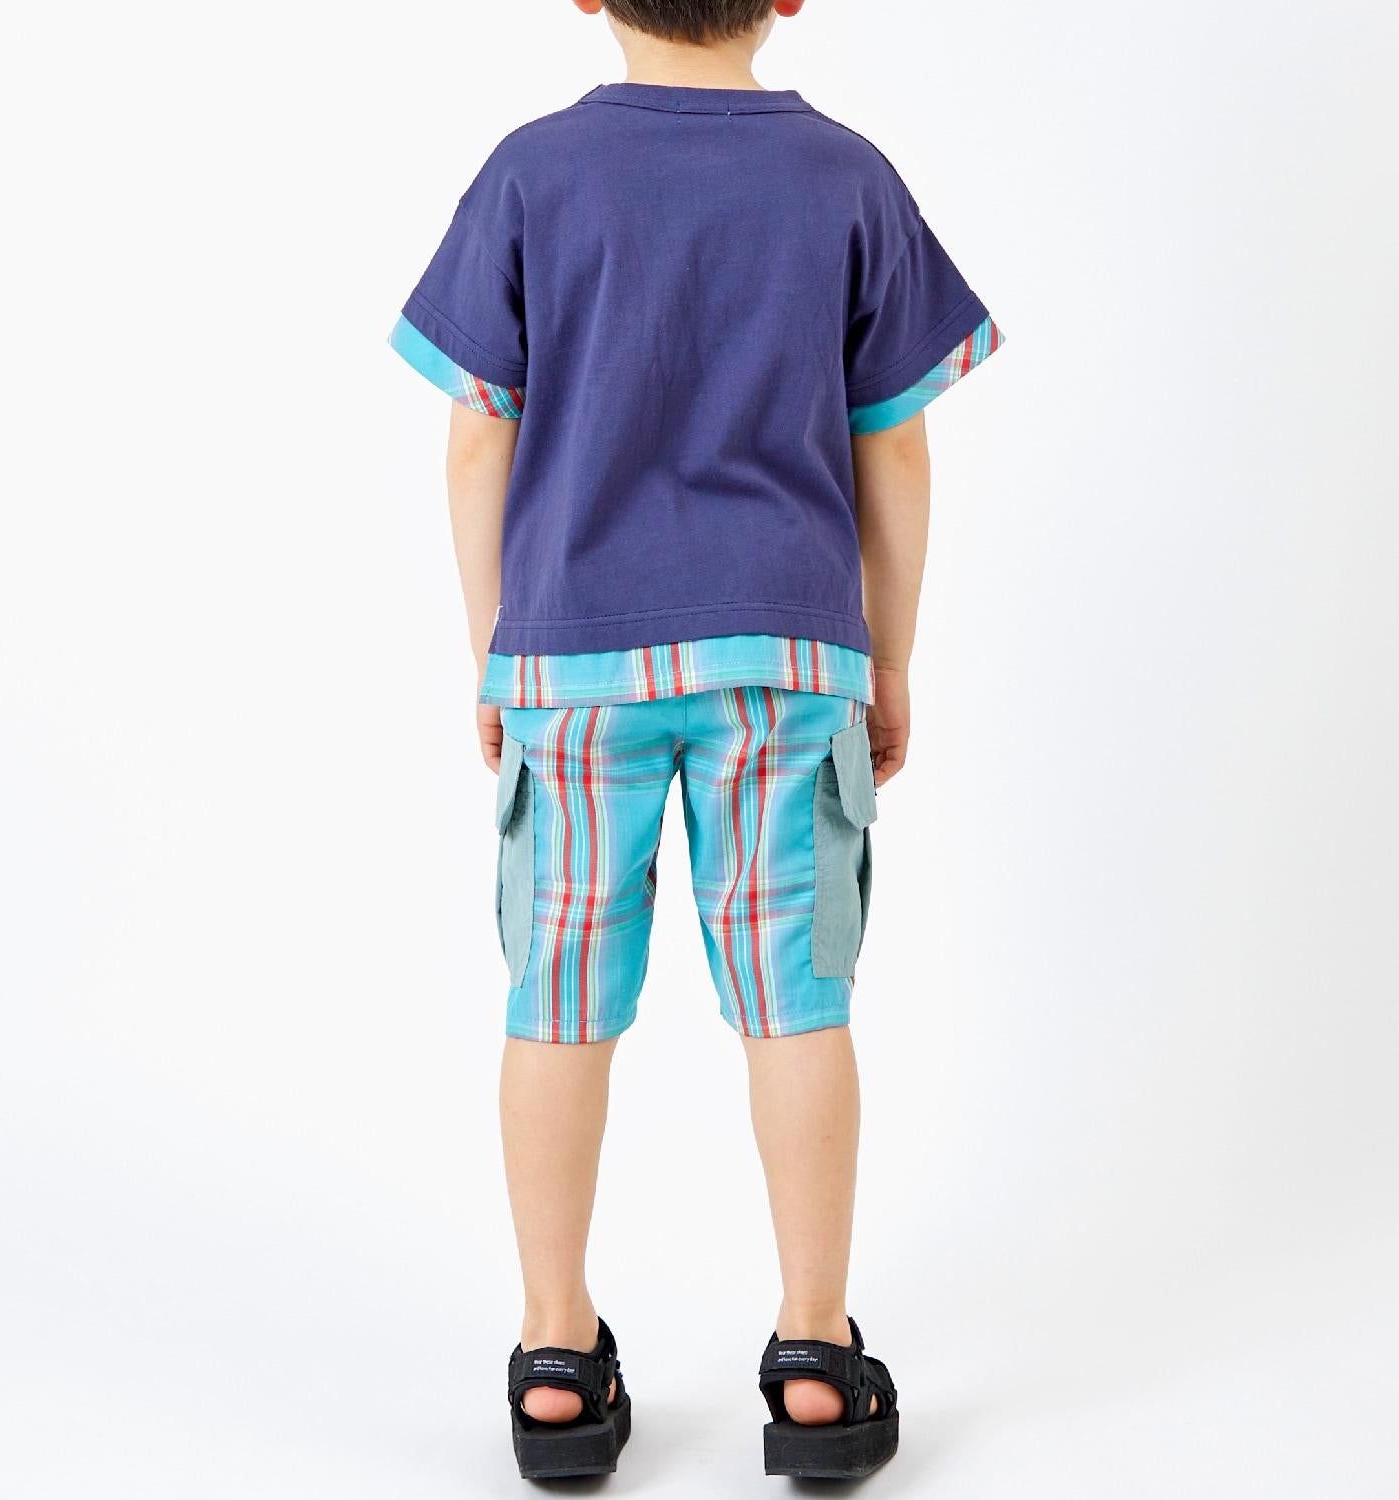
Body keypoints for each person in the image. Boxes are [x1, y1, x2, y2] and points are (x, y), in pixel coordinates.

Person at [389, 0, 1003, 1480]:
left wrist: (496, 645)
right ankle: (815, 1358)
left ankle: (554, 1357)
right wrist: (889, 656)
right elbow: (896, 440)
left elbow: (476, 435)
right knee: (797, 1000)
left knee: (556, 1000)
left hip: (574, 659)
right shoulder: (847, 176)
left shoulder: (532, 174)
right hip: (786, 653)